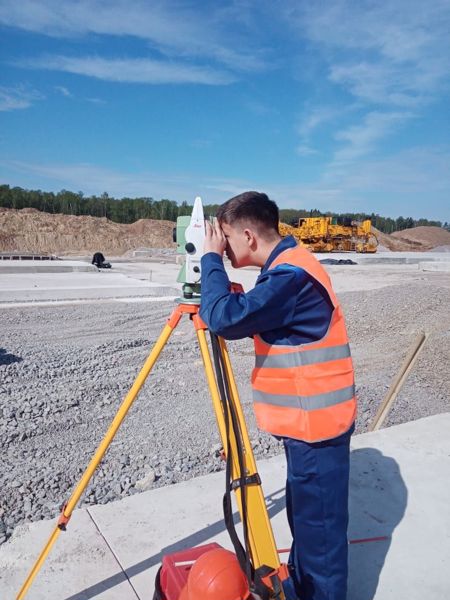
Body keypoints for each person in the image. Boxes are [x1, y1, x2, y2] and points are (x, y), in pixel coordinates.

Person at [199, 191, 356, 600]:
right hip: (308, 428)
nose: (224, 247)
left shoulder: (290, 277)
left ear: (248, 236)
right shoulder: (288, 268)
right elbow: (252, 313)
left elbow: (224, 318)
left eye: (226, 238)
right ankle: (302, 589)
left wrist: (209, 261)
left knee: (319, 538)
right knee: (306, 523)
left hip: (317, 429)